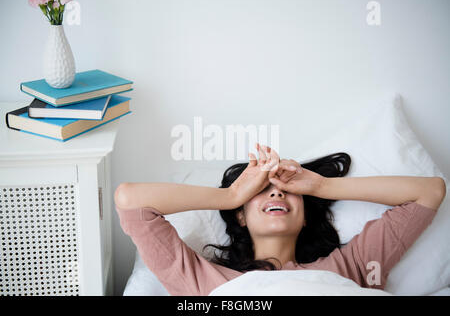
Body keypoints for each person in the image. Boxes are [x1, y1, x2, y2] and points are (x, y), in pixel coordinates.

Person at [115, 144, 446, 295]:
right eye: (263, 191)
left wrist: (321, 185)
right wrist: (231, 196)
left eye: (287, 189)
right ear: (240, 217)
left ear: (304, 218)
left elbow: (430, 191)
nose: (276, 194)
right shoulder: (202, 280)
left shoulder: (352, 266)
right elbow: (130, 200)